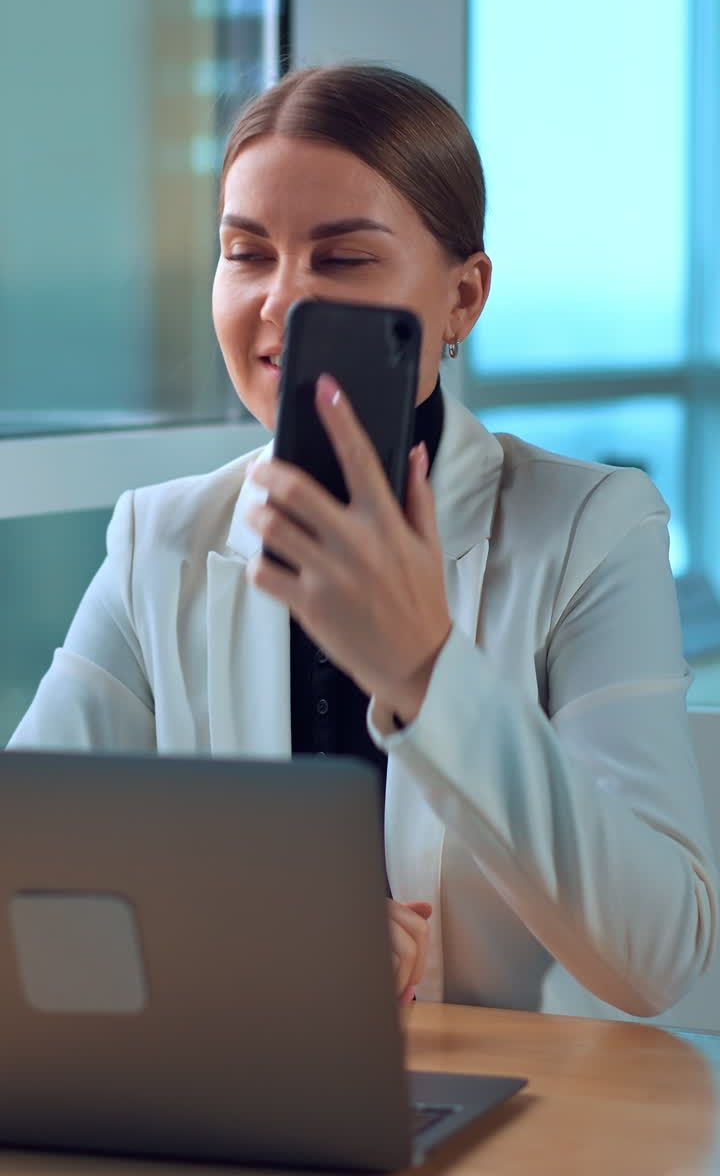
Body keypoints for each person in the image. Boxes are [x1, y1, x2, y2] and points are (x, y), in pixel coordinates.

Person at [8, 64, 717, 1020]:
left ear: (463, 298)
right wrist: (265, 936)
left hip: (528, 1120)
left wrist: (426, 672)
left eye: (341, 260)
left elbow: (658, 956)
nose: (282, 303)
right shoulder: (160, 538)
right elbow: (26, 870)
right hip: (247, 1089)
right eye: (246, 253)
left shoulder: (591, 526)